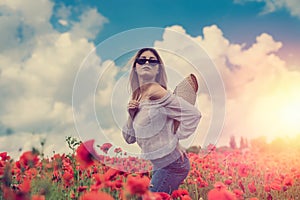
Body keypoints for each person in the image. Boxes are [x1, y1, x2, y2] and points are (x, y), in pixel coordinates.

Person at [122, 47, 201, 194]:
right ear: (135, 67)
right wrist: (131, 115)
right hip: (159, 164)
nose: (147, 63)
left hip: (172, 165)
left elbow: (193, 114)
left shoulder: (155, 91)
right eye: (142, 60)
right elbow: (129, 138)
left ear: (158, 69)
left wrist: (174, 140)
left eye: (153, 61)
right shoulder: (137, 96)